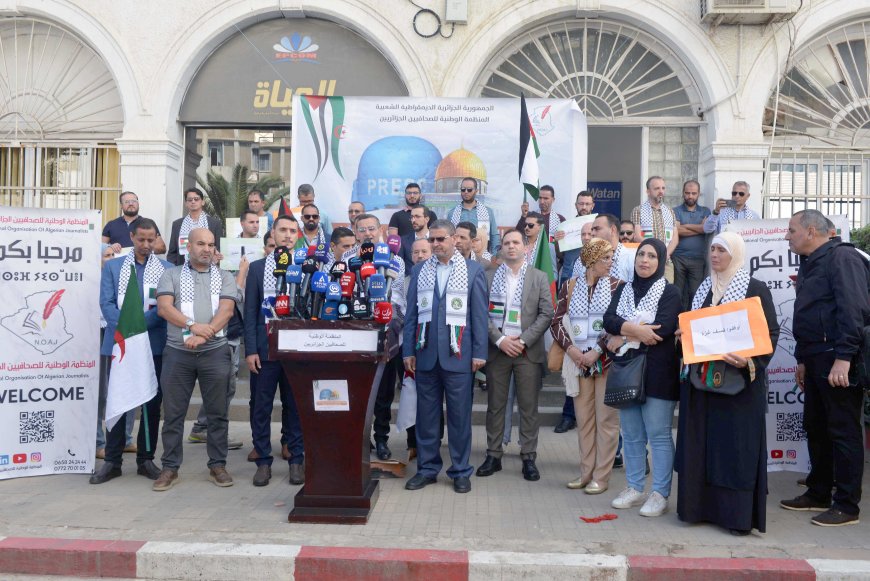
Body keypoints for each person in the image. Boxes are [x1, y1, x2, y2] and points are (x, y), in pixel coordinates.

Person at [676, 232, 780, 535]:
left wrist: (749, 362)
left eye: (722, 250)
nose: (715, 255)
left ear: (735, 253)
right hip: (702, 385)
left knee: (734, 450)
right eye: (713, 249)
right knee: (702, 447)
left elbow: (771, 334)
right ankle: (698, 509)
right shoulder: (703, 288)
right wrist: (684, 338)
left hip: (738, 389)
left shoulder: (754, 289)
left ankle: (735, 517)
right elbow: (696, 327)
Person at [780, 209, 870, 527]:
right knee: (816, 426)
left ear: (812, 232)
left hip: (839, 359)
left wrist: (844, 358)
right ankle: (818, 492)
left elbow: (853, 309)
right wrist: (802, 360)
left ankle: (847, 506)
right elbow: (808, 316)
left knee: (843, 431)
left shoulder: (842, 259)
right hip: (816, 359)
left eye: (792, 230)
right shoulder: (809, 263)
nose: (787, 236)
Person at [403, 219, 488, 494]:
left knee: (459, 418)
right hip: (426, 354)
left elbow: (479, 316)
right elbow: (412, 314)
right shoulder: (419, 271)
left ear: (454, 239)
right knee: (426, 417)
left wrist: (479, 353)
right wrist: (408, 351)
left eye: (441, 239)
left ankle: (461, 471)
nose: (437, 244)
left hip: (459, 356)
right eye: (433, 240)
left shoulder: (473, 271)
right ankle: (427, 469)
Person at [154, 228, 238, 491]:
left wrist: (204, 334)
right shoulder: (171, 274)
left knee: (217, 413)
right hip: (178, 353)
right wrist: (193, 325)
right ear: (187, 246)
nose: (207, 249)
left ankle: (217, 465)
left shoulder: (224, 277)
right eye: (201, 243)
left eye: (211, 245)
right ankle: (169, 468)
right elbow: (165, 307)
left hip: (215, 352)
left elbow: (227, 311)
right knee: (174, 414)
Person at [91, 219, 172, 484]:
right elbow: (106, 303)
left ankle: (145, 459)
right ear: (131, 237)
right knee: (118, 398)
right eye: (141, 240)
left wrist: (138, 327)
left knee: (151, 401)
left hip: (153, 344)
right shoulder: (113, 267)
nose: (146, 245)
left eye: (151, 240)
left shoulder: (167, 269)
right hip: (119, 343)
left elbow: (165, 308)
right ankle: (112, 461)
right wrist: (128, 328)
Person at [604, 238, 681, 517]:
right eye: (641, 255)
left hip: (659, 373)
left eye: (651, 256)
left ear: (660, 261)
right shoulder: (624, 289)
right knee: (632, 435)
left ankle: (660, 493)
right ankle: (634, 487)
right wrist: (634, 332)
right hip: (627, 369)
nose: (644, 260)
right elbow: (608, 319)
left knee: (658, 435)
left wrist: (622, 334)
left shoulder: (670, 292)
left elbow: (662, 329)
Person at [476, 229, 553, 481]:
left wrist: (523, 340)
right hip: (498, 350)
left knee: (528, 407)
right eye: (506, 243)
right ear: (501, 248)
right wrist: (499, 339)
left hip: (526, 351)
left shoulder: (539, 277)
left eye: (516, 242)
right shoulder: (487, 276)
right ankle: (493, 454)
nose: (511, 247)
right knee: (495, 406)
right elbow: (480, 313)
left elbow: (546, 313)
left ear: (525, 247)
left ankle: (528, 456)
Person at [551, 238, 622, 494]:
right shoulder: (570, 286)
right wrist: (572, 350)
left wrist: (597, 351)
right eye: (606, 258)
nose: (610, 262)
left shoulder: (618, 286)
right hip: (578, 363)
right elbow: (556, 322)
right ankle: (585, 473)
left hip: (606, 363)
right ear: (591, 261)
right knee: (584, 421)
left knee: (607, 422)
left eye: (611, 257)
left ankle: (601, 477)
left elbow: (618, 324)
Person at [244, 215, 306, 486]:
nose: (288, 235)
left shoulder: (306, 266)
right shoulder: (258, 268)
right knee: (262, 406)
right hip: (265, 348)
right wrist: (250, 350)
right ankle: (263, 462)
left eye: (293, 231)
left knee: (295, 406)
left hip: (296, 349)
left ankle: (296, 460)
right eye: (283, 230)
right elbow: (249, 313)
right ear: (273, 233)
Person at [351, 213, 407, 460]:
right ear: (355, 233)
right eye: (362, 230)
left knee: (384, 392)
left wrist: (382, 308)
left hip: (386, 329)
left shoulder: (394, 260)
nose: (367, 234)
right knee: (359, 390)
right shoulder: (349, 259)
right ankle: (359, 439)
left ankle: (382, 438)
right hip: (356, 330)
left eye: (371, 228)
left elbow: (398, 296)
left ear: (380, 229)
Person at [630, 176, 679, 282]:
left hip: (666, 262)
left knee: (667, 293)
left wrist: (664, 255)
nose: (661, 191)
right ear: (648, 191)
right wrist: (655, 253)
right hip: (646, 261)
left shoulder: (670, 211)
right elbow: (637, 236)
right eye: (657, 188)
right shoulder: (638, 210)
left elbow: (675, 238)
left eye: (663, 188)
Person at [672, 180, 712, 310]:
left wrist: (686, 226)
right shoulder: (675, 211)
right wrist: (698, 227)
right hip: (678, 257)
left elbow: (705, 229)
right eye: (687, 193)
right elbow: (677, 230)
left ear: (698, 194)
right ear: (683, 193)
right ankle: (677, 323)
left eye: (693, 193)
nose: (690, 196)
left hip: (698, 259)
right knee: (677, 292)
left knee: (695, 293)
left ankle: (691, 322)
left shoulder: (705, 211)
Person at [167, 187, 223, 266]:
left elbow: (219, 248)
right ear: (186, 203)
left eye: (196, 199)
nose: (193, 201)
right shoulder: (177, 224)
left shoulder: (214, 223)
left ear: (202, 202)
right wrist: (171, 269)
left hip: (208, 267)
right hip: (182, 268)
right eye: (190, 200)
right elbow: (172, 252)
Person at [102, 191, 167, 255]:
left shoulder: (149, 224)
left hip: (143, 264)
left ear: (138, 204)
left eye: (134, 201)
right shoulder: (111, 225)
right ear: (121, 205)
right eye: (127, 202)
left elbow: (161, 248)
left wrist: (139, 250)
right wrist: (111, 247)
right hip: (118, 264)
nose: (131, 204)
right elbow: (101, 249)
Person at [448, 177, 499, 253]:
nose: (466, 192)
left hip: (482, 255)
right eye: (463, 189)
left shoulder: (488, 212)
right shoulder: (452, 213)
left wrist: (495, 255)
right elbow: (449, 236)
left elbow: (494, 235)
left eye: (469, 190)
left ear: (476, 191)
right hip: (459, 255)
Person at [560, 190, 595, 287]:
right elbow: (559, 255)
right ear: (576, 205)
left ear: (593, 205)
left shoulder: (599, 226)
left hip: (593, 276)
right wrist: (558, 241)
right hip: (568, 275)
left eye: (587, 204)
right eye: (581, 203)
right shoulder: (565, 227)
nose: (584, 207)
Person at [399, 205, 431, 273]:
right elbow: (400, 266)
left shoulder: (436, 239)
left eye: (417, 216)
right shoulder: (403, 241)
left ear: (427, 219)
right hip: (410, 281)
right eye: (412, 217)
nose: (413, 220)